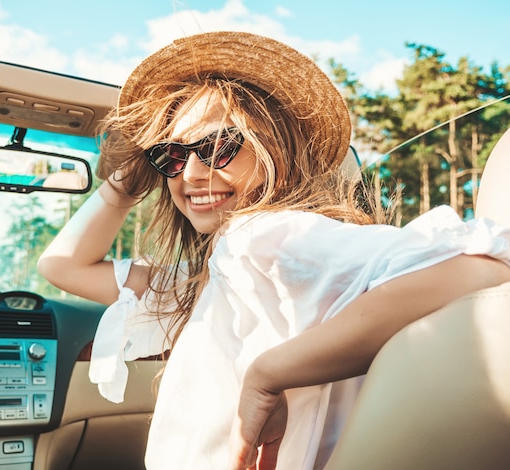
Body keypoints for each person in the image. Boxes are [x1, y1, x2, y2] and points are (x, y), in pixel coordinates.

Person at [37, 31, 510, 470]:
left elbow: (484, 269)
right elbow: (61, 266)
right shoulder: (210, 275)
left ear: (275, 151)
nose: (190, 175)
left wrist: (270, 371)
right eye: (170, 156)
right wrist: (127, 180)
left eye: (218, 145)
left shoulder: (260, 237)